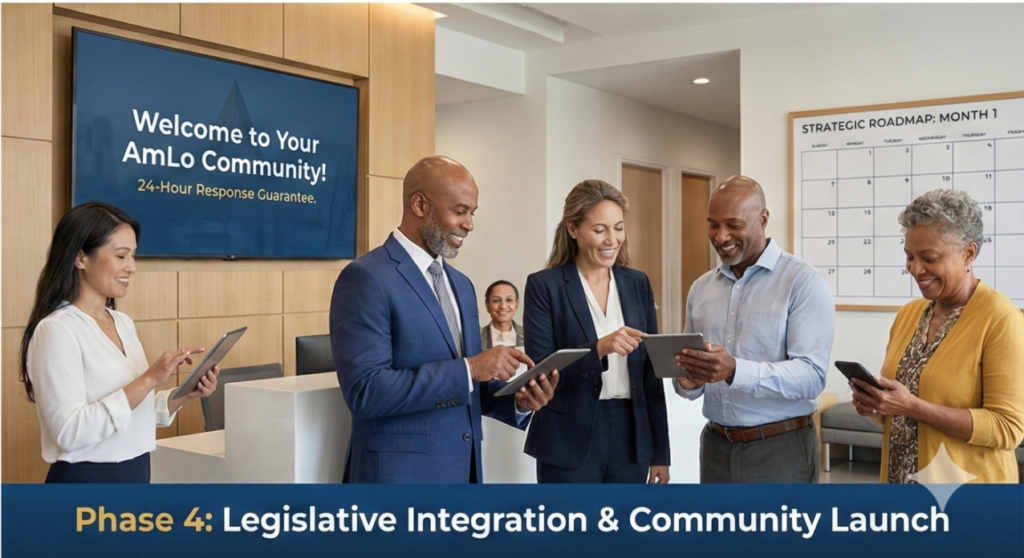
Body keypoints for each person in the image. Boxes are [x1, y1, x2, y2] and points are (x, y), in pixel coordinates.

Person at [330, 155, 558, 483]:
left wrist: (518, 401)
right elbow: (366, 391)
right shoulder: (365, 278)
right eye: (460, 211)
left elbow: (466, 387)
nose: (470, 224)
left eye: (472, 213)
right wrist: (471, 368)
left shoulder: (462, 285)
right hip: (398, 483)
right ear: (420, 205)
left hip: (462, 476)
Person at [19, 201, 218, 483]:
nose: (132, 267)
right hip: (87, 483)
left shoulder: (121, 322)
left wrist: (184, 395)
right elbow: (69, 432)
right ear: (80, 258)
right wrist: (149, 379)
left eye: (133, 256)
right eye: (121, 256)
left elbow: (131, 414)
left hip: (136, 473)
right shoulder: (57, 330)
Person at [850, 189, 1024, 483]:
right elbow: (899, 416)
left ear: (968, 253)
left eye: (929, 258)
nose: (916, 269)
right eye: (909, 256)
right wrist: (876, 407)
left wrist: (913, 407)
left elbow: (1007, 428)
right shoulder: (909, 314)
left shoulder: (1001, 319)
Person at [674, 175, 834, 483]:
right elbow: (690, 388)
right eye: (713, 224)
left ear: (763, 219)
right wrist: (690, 382)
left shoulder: (802, 282)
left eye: (733, 225)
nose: (720, 236)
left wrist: (735, 370)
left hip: (781, 451)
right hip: (715, 447)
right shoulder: (701, 288)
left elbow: (812, 377)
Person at [523, 179, 670, 484]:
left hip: (631, 435)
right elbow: (541, 370)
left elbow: (649, 374)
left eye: (618, 227)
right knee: (568, 529)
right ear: (573, 229)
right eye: (600, 229)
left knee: (623, 530)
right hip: (567, 435)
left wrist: (660, 453)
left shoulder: (637, 283)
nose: (612, 240)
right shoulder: (544, 286)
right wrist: (599, 348)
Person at [480, 280, 524, 350]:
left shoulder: (529, 336)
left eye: (509, 300)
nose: (503, 306)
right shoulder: (476, 338)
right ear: (487, 305)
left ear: (517, 303)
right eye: (496, 300)